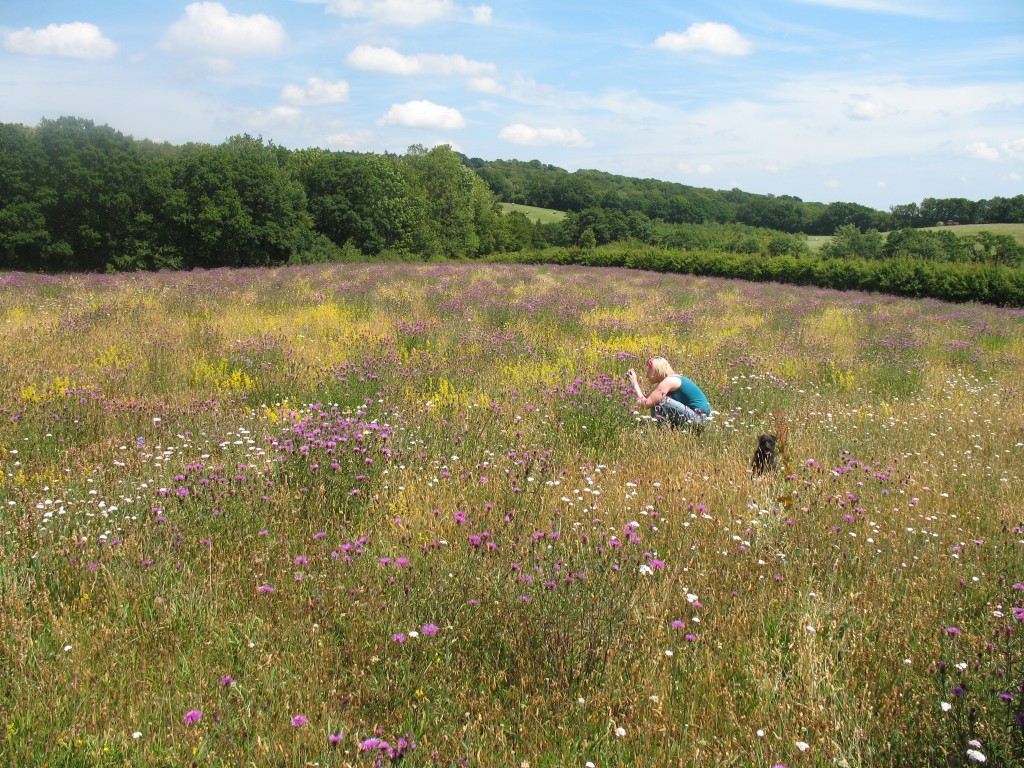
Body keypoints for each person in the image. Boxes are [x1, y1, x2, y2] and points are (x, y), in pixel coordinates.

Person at [626, 356, 711, 429]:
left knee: (661, 402)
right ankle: (666, 432)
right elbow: (646, 399)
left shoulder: (669, 381)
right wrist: (633, 384)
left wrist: (635, 383)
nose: (647, 375)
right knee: (657, 401)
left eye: (649, 370)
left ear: (657, 370)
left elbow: (646, 404)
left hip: (700, 420)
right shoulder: (668, 380)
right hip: (698, 418)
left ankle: (662, 433)